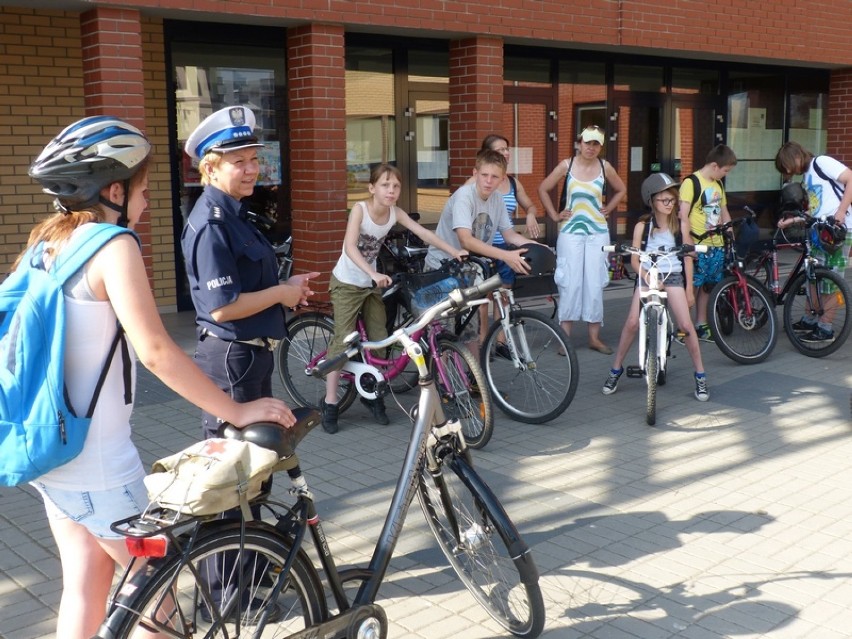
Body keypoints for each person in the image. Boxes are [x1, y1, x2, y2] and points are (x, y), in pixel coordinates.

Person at [24, 116, 296, 639]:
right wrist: (234, 410)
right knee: (160, 608)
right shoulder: (111, 244)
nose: (148, 204)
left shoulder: (46, 244)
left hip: (53, 452)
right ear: (114, 189)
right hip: (100, 461)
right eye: (144, 190)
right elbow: (154, 349)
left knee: (85, 584)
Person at [181, 105, 319, 441]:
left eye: (254, 160)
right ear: (210, 169)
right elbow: (223, 307)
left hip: (252, 355)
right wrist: (280, 294)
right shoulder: (212, 224)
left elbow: (247, 282)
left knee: (260, 457)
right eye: (238, 162)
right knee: (237, 466)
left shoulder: (235, 213)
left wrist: (287, 287)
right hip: (232, 358)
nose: (251, 170)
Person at [321, 163, 467, 434]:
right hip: (348, 282)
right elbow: (350, 247)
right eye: (385, 185)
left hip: (371, 283)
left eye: (396, 186)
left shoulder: (394, 213)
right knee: (342, 340)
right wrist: (372, 272)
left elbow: (424, 233)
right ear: (372, 188)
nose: (391, 190)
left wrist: (454, 250)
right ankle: (330, 403)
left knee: (379, 340)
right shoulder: (360, 210)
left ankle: (371, 393)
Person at [602, 173, 709, 402]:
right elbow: (634, 259)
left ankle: (700, 374)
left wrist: (690, 289)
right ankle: (616, 370)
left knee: (685, 325)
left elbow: (688, 257)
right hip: (647, 275)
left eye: (672, 199)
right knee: (632, 322)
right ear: (652, 201)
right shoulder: (643, 226)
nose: (670, 204)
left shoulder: (681, 224)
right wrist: (647, 275)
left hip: (673, 276)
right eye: (664, 200)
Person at [425, 148, 542, 346]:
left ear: (502, 179)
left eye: (494, 177)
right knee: (444, 337)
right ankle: (439, 377)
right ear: (475, 174)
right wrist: (506, 255)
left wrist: (539, 246)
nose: (488, 181)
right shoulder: (464, 196)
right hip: (442, 269)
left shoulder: (497, 200)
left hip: (467, 271)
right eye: (484, 175)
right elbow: (466, 240)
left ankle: (476, 376)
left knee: (471, 332)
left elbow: (510, 234)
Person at [538, 125, 626, 355]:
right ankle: (565, 339)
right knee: (570, 281)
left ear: (601, 146)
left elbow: (621, 189)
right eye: (588, 142)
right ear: (579, 142)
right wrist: (554, 215)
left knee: (595, 281)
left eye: (596, 143)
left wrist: (609, 208)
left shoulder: (604, 167)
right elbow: (543, 188)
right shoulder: (566, 166)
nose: (591, 147)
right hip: (570, 232)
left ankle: (594, 338)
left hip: (598, 231)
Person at [774, 141, 852, 341]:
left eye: (788, 166)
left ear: (796, 157)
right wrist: (792, 220)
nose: (789, 171)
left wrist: (841, 211)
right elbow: (816, 209)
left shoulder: (822, 162)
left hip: (838, 231)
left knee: (830, 282)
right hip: (821, 231)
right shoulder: (808, 175)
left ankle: (825, 328)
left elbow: (850, 178)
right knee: (813, 277)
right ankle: (810, 319)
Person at [466, 134, 540, 343]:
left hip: (506, 245)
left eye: (507, 149)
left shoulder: (513, 183)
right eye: (500, 150)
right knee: (482, 298)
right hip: (482, 246)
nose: (506, 153)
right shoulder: (478, 181)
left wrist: (531, 214)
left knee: (504, 294)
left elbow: (529, 205)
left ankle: (501, 339)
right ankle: (483, 339)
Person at [678, 144, 738, 343]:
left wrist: (729, 229)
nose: (725, 174)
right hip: (698, 243)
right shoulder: (691, 183)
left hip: (716, 243)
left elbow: (723, 210)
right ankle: (682, 327)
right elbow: (683, 216)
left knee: (707, 286)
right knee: (691, 287)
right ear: (714, 165)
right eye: (725, 171)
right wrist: (687, 243)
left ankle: (701, 324)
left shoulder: (717, 184)